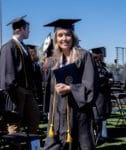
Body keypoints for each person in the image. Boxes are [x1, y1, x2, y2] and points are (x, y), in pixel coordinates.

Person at [43, 18, 96, 150]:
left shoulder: (84, 56)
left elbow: (91, 86)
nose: (64, 38)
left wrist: (70, 88)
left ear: (73, 36)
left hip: (77, 112)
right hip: (57, 112)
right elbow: (49, 90)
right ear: (55, 39)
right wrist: (50, 111)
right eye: (60, 35)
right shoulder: (53, 61)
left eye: (67, 34)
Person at [0, 15, 40, 134]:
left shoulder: (24, 47)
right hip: (16, 91)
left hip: (28, 90)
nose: (29, 31)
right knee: (14, 123)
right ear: (21, 29)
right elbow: (7, 71)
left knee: (35, 118)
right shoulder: (9, 47)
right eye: (28, 29)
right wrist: (13, 89)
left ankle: (30, 144)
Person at [90, 47, 113, 143]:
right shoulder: (93, 65)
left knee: (103, 115)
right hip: (98, 95)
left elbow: (109, 74)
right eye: (101, 54)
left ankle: (102, 135)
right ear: (97, 55)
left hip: (105, 94)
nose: (103, 56)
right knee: (97, 116)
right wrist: (107, 81)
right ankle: (96, 136)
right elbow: (96, 79)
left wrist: (111, 80)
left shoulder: (103, 65)